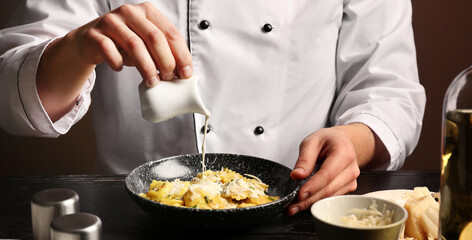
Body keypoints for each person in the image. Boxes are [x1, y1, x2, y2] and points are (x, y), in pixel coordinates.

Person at [0, 0, 426, 216]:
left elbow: (389, 87)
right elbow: (11, 95)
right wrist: (74, 49)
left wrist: (354, 140)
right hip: (132, 215)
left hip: (295, 207)